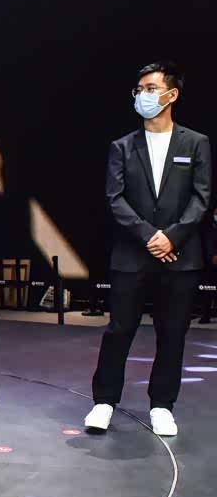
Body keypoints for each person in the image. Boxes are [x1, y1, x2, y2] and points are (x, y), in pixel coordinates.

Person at [85, 61, 212, 436]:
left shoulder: (196, 143)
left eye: (151, 89)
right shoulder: (122, 146)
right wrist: (150, 236)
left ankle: (162, 406)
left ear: (172, 94)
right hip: (131, 256)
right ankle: (104, 401)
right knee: (119, 330)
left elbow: (202, 198)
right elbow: (115, 199)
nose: (143, 95)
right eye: (139, 89)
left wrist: (173, 236)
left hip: (180, 256)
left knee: (172, 334)